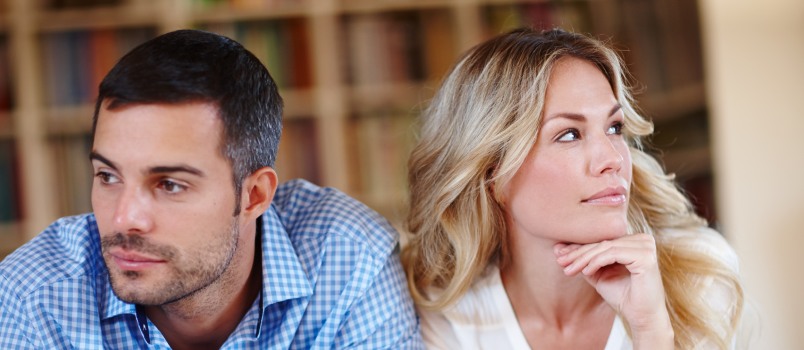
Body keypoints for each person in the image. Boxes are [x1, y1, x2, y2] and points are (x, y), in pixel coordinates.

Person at [0, 29, 421, 349]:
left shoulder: (348, 259)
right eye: (108, 176)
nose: (124, 218)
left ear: (254, 195)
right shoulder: (35, 296)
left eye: (169, 184)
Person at [401, 28, 744, 349]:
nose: (612, 159)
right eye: (569, 134)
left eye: (614, 128)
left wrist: (651, 330)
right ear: (494, 177)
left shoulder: (698, 274)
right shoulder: (447, 317)